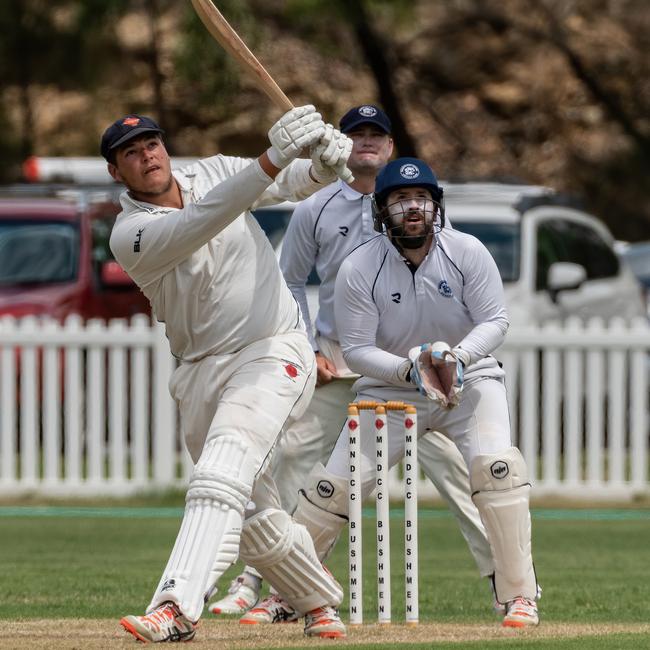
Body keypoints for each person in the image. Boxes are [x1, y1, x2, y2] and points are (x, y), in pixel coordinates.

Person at [208, 106, 496, 623]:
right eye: (356, 135)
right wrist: (307, 345)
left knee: (461, 476)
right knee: (302, 472)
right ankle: (264, 584)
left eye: (376, 136)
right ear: (342, 144)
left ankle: (512, 584)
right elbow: (288, 281)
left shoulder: (418, 206)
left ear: (389, 149)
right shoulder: (314, 207)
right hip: (336, 361)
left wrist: (436, 359)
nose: (366, 143)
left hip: (412, 371)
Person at [102, 107, 354, 642]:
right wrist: (272, 157)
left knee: (220, 473)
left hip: (272, 349)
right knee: (253, 512)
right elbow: (204, 220)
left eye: (152, 144)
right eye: (131, 153)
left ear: (164, 148)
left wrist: (324, 164)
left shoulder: (214, 170)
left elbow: (288, 182)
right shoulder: (129, 235)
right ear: (116, 172)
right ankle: (317, 600)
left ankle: (174, 608)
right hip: (199, 370)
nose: (147, 156)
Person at [290, 157, 540, 628]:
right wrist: (412, 369)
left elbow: (496, 321)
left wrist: (457, 359)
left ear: (436, 206)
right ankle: (295, 592)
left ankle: (519, 595)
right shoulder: (359, 266)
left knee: (498, 471)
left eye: (421, 198)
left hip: (471, 380)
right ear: (381, 210)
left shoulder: (467, 251)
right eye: (400, 199)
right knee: (331, 489)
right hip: (388, 386)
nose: (412, 208)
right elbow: (359, 349)